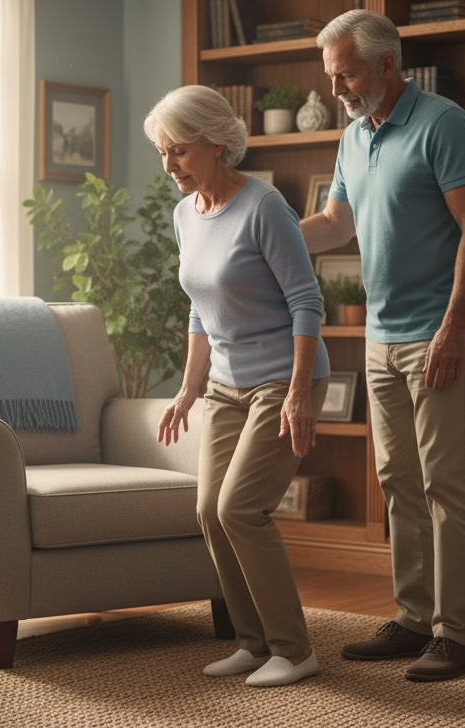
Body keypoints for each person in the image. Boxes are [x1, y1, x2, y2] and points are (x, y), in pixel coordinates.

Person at [298, 9, 465, 682]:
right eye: (331, 77)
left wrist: (452, 328)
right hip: (379, 337)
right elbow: (335, 224)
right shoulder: (353, 136)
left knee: (447, 485)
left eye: (346, 75)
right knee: (399, 484)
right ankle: (414, 619)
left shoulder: (443, 124)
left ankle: (457, 635)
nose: (336, 90)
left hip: (439, 335)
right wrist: (259, 233)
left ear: (387, 64)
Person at [145, 84, 330, 688]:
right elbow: (199, 309)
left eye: (179, 151)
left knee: (240, 508)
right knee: (208, 509)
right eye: (163, 153)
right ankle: (253, 644)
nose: (169, 166)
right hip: (224, 384)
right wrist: (187, 390)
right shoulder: (185, 214)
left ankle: (294, 650)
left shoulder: (265, 207)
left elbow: (306, 302)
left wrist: (299, 393)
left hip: (281, 377)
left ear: (217, 143)